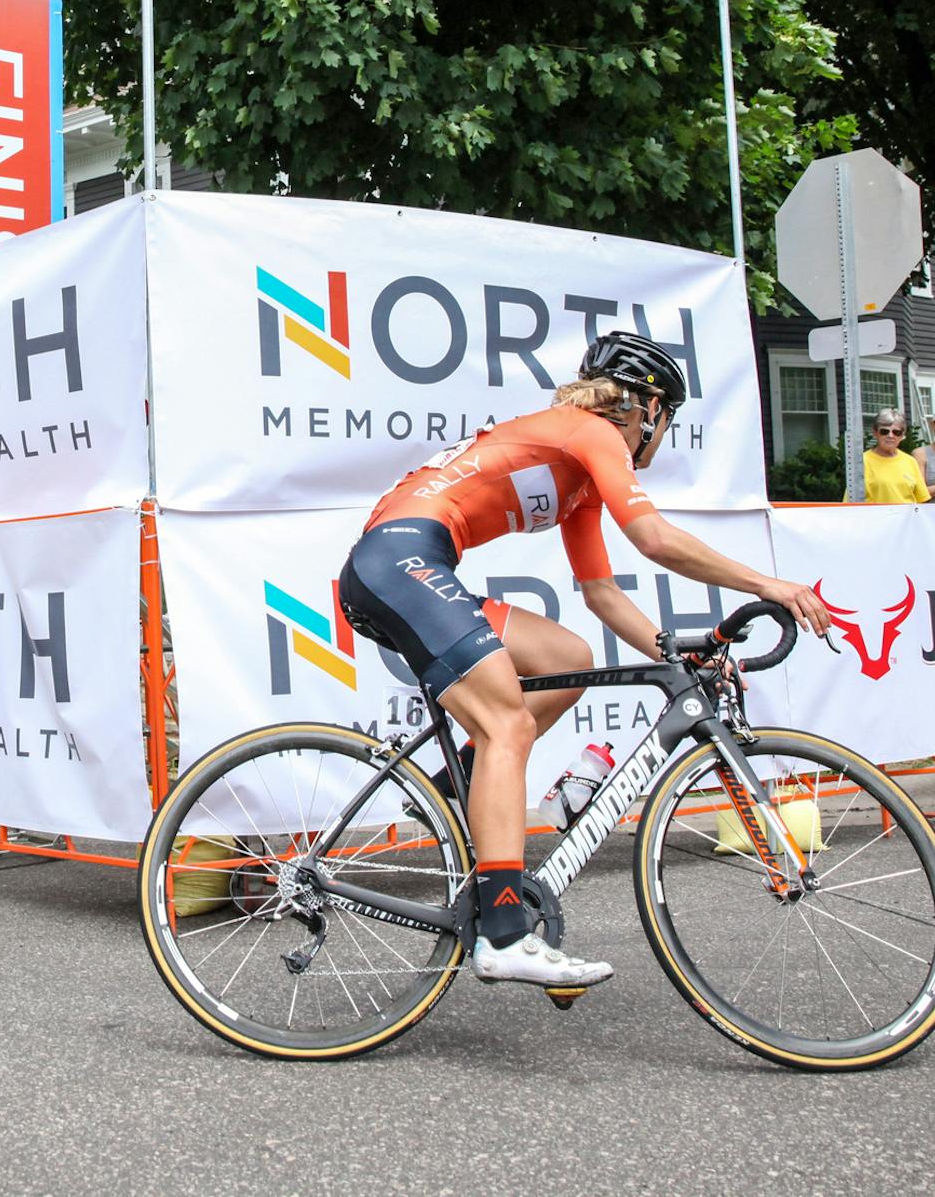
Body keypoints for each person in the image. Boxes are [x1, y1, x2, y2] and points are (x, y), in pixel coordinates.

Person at [338, 332, 831, 988]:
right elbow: (653, 536)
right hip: (398, 562)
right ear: (646, 406)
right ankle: (506, 935)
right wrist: (768, 584)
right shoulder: (591, 431)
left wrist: (671, 652)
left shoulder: (578, 476)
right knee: (507, 724)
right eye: (668, 418)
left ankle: (460, 775)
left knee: (565, 655)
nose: (664, 433)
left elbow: (600, 593)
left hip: (401, 562)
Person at [859, 408, 929, 504]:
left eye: (896, 432)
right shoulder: (862, 461)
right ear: (875, 433)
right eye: (884, 431)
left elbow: (921, 499)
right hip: (875, 517)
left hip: (907, 518)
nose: (890, 436)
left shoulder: (910, 461)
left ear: (902, 436)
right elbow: (851, 502)